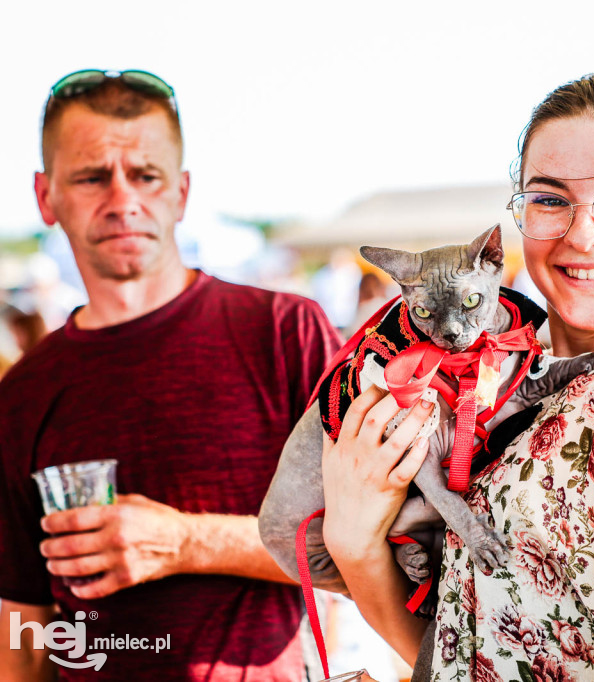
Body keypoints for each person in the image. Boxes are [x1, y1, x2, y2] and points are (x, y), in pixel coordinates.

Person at [311, 71, 594, 679]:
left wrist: (354, 540)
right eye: (551, 200)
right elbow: (478, 643)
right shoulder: (532, 381)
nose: (583, 233)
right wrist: (357, 541)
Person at [0, 70, 340, 681]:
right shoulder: (20, 397)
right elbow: (23, 632)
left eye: (146, 176)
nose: (124, 198)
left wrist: (184, 541)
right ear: (45, 196)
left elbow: (363, 546)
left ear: (181, 192)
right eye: (92, 176)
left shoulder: (287, 332)